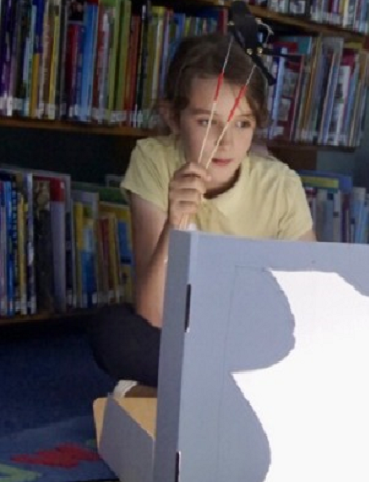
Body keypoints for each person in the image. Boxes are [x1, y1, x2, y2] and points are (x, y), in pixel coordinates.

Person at [89, 33, 316, 388]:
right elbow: (152, 314)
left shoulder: (281, 184)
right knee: (115, 333)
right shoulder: (154, 160)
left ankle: (207, 384)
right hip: (181, 332)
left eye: (242, 124)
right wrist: (175, 225)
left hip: (249, 336)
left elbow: (308, 306)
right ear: (174, 118)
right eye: (207, 122)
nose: (225, 142)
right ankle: (224, 385)